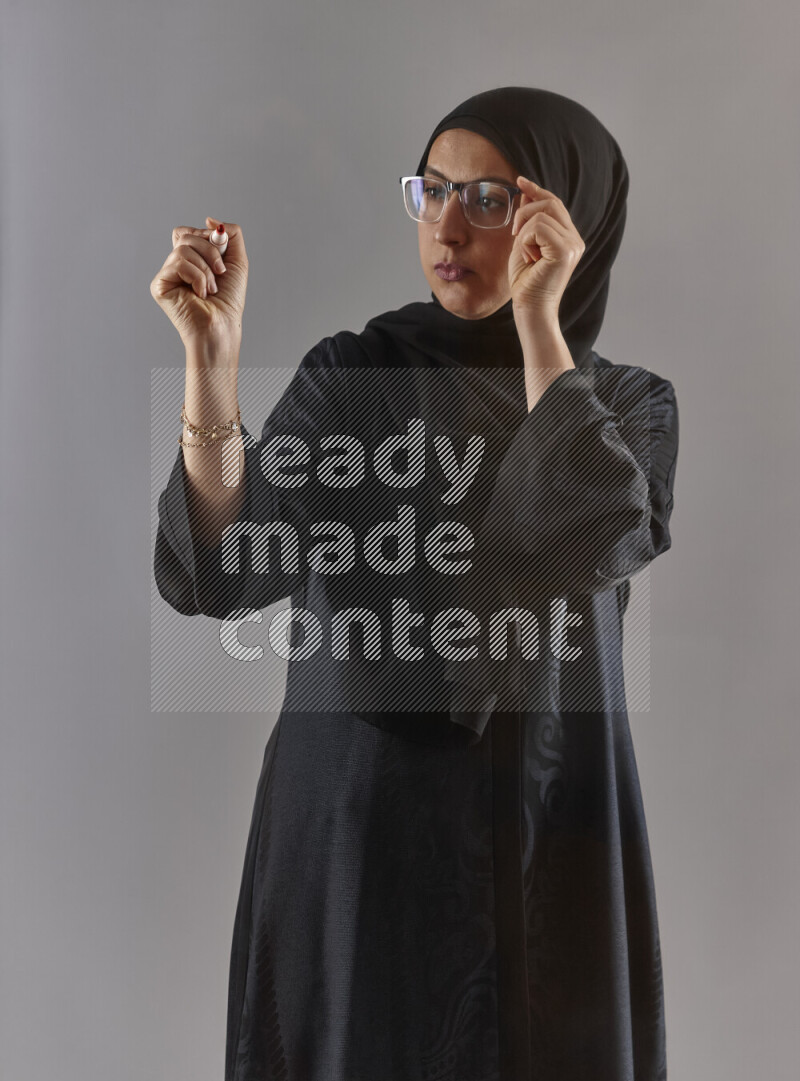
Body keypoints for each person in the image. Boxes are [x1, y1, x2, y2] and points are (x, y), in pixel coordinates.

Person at [151, 86, 678, 1081]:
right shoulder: (355, 374)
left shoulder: (625, 407)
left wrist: (536, 319)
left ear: (563, 217)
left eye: (486, 198)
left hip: (541, 821)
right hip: (361, 826)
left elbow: (584, 537)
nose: (444, 226)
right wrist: (209, 368)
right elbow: (226, 566)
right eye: (430, 191)